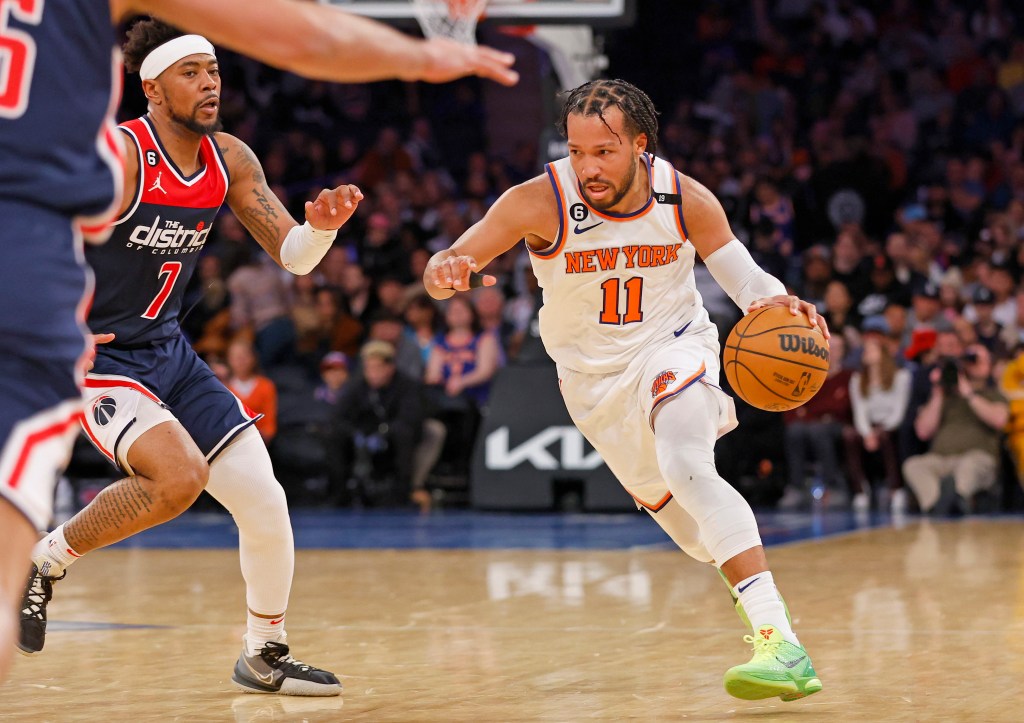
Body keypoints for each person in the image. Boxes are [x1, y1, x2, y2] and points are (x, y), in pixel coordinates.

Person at [1, 0, 517, 686]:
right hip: (101, 356)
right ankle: (50, 556)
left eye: (214, 70)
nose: (210, 84)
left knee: (265, 499)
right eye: (191, 73)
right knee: (179, 477)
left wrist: (323, 227)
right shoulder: (125, 156)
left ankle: (263, 651)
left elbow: (296, 257)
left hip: (169, 352)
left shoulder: (229, 159)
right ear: (152, 88)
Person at [424, 79, 827, 702]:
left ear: (641, 145)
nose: (588, 167)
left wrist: (778, 304)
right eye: (578, 151)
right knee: (696, 537)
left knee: (688, 464)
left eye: (604, 152)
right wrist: (446, 272)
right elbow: (447, 264)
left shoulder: (684, 198)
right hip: (592, 386)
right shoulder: (539, 201)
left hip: (674, 346)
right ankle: (760, 609)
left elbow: (744, 278)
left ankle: (781, 642)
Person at [903, 344, 1010, 514]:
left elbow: (999, 420)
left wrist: (968, 393)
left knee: (970, 466)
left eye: (978, 360)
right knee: (913, 465)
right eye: (969, 360)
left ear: (989, 366)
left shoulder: (994, 395)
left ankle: (957, 497)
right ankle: (936, 505)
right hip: (941, 459)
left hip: (976, 457)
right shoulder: (946, 396)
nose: (973, 364)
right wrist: (938, 392)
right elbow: (923, 431)